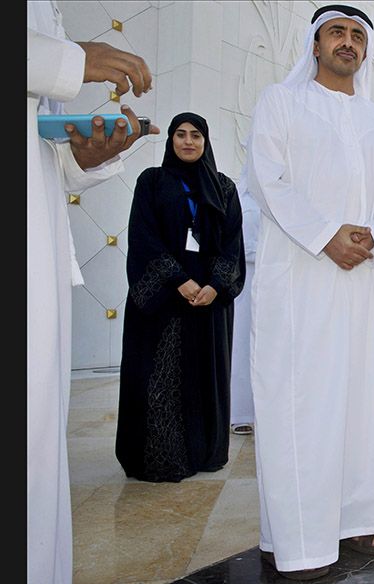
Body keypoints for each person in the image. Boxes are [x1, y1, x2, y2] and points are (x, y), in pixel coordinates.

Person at [244, 4, 374, 580]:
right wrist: (326, 236)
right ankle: (298, 541)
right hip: (299, 281)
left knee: (363, 401)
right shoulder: (281, 103)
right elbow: (268, 179)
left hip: (363, 283)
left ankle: (362, 518)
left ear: (366, 51)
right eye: (337, 32)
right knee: (301, 403)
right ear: (315, 44)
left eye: (357, 35)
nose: (348, 42)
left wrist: (372, 239)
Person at [28, 3, 157, 582]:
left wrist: (85, 156)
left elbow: (43, 149)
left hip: (39, 242)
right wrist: (74, 59)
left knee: (36, 453)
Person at [115, 112, 246, 483]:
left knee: (204, 375)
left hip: (208, 298)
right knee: (160, 375)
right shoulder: (153, 181)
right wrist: (178, 280)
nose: (188, 142)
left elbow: (232, 243)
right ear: (171, 140)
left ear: (206, 142)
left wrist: (216, 286)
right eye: (180, 134)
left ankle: (205, 453)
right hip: (164, 298)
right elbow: (143, 236)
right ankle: (162, 457)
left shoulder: (223, 188)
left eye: (196, 135)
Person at [229, 169, 260, 436]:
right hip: (245, 277)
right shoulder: (239, 196)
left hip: (276, 276)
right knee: (242, 343)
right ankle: (241, 411)